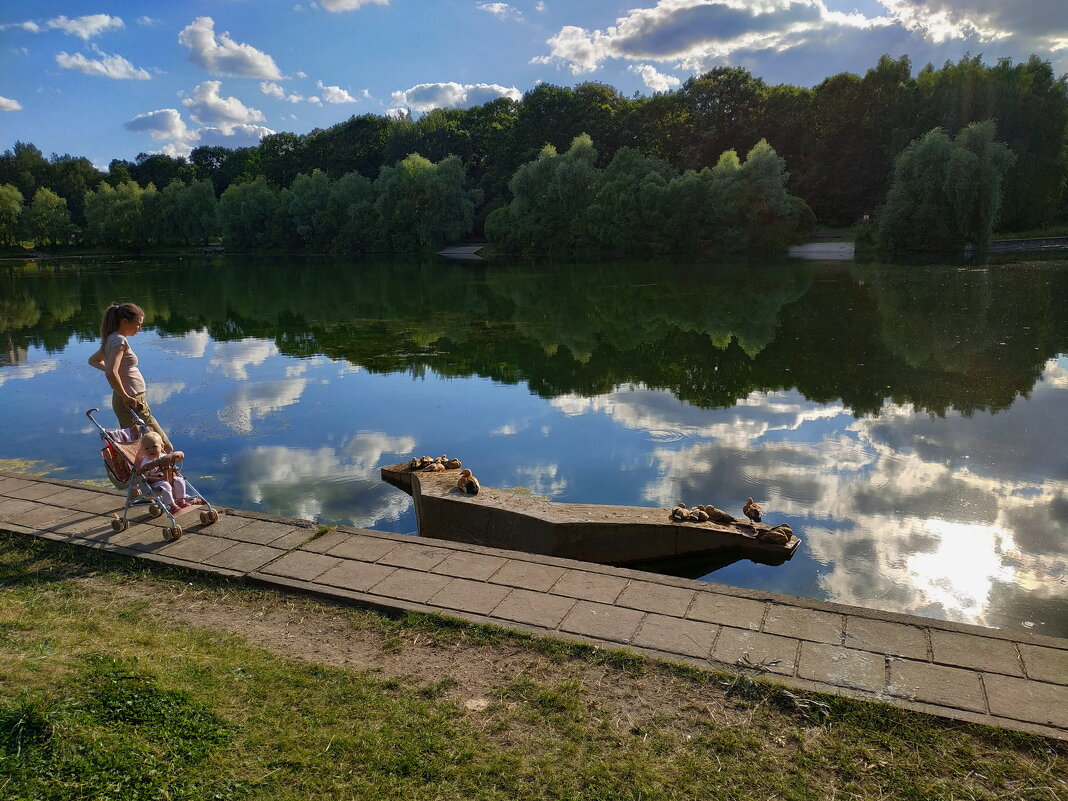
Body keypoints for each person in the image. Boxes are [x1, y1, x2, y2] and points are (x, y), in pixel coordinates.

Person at [88, 302, 173, 452]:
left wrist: (117, 376)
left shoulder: (111, 339)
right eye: (138, 324)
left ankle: (148, 475)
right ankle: (157, 475)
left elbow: (94, 361)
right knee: (163, 447)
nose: (140, 328)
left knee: (140, 447)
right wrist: (125, 395)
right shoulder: (119, 341)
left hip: (127, 399)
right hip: (130, 400)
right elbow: (110, 372)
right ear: (124, 322)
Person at [136, 431, 191, 515]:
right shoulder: (146, 463)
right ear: (143, 450)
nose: (151, 450)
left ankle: (181, 500)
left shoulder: (164, 457)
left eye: (154, 446)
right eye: (147, 448)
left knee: (180, 480)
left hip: (168, 478)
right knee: (165, 485)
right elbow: (146, 478)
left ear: (162, 446)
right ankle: (172, 506)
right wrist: (159, 479)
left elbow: (170, 467)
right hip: (155, 483)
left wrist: (174, 470)